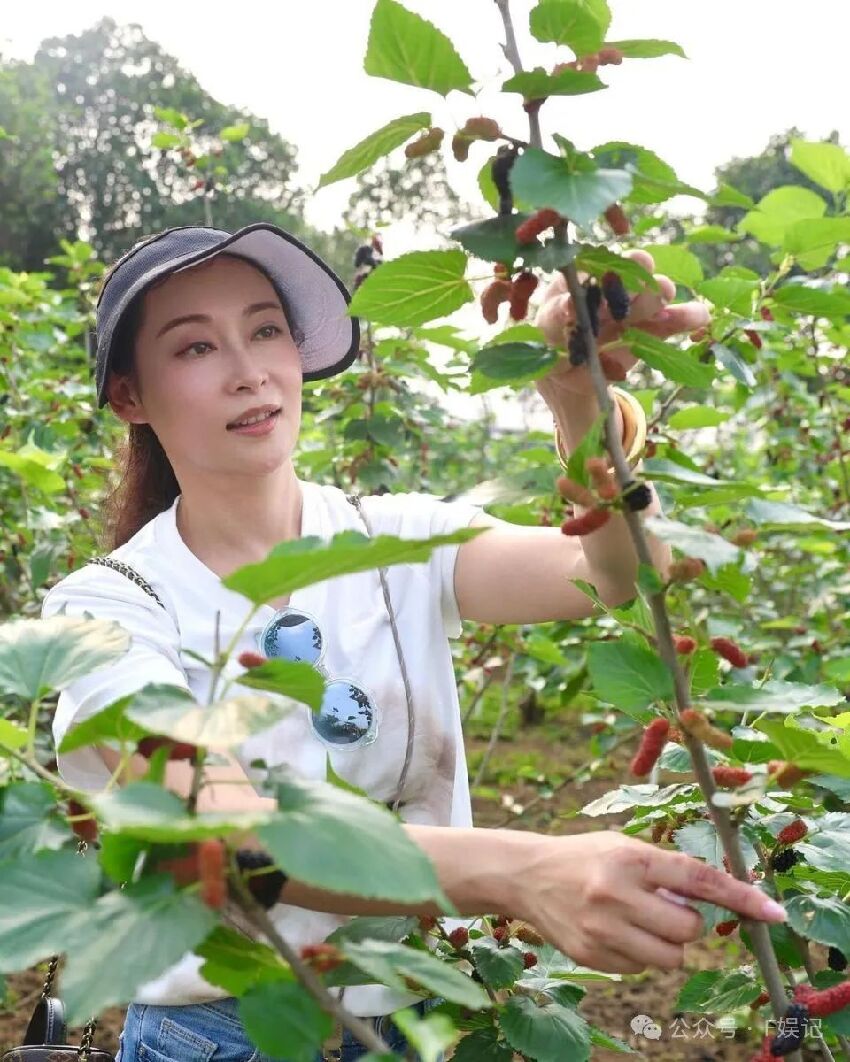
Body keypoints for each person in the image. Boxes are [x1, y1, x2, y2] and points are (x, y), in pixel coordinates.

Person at [40, 222, 787, 1062]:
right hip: (218, 1038)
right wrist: (521, 871)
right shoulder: (102, 610)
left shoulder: (391, 538)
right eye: (193, 348)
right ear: (131, 398)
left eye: (264, 329)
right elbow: (231, 834)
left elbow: (617, 574)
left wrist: (575, 397)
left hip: (418, 1026)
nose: (249, 371)